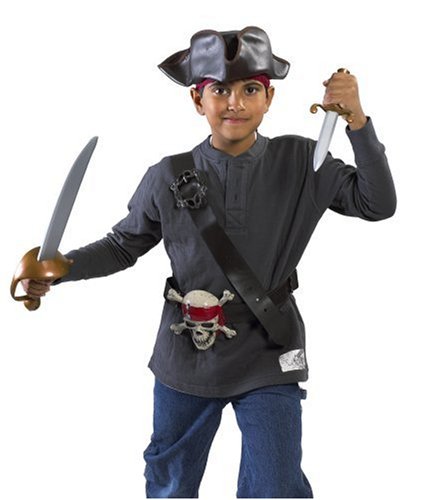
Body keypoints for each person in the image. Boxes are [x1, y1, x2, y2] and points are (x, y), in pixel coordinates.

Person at [22, 26, 396, 498]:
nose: (234, 103)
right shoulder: (167, 175)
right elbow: (122, 245)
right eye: (219, 90)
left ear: (269, 98)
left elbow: (377, 203)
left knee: (277, 487)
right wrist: (62, 268)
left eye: (250, 89)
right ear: (198, 100)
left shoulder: (304, 160)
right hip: (187, 354)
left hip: (269, 351)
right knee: (171, 484)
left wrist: (357, 122)